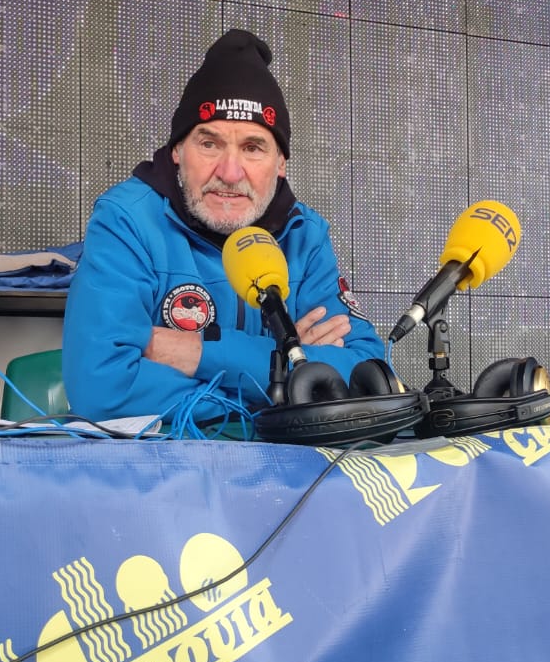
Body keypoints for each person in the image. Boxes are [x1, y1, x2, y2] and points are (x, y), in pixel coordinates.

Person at [64, 29, 384, 425]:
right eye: (210, 143)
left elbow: (370, 377)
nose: (230, 173)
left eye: (253, 147)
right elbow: (102, 389)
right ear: (177, 150)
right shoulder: (127, 219)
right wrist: (287, 382)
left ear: (281, 163)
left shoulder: (305, 236)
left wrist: (199, 352)